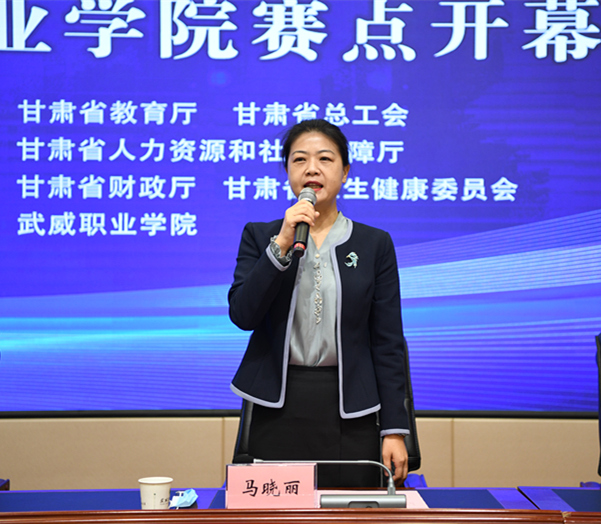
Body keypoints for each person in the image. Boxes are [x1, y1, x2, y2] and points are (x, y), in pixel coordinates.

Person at [228, 119, 409, 487]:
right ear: (287, 172)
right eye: (299, 160)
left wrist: (393, 429)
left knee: (351, 511)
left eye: (325, 159)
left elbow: (388, 342)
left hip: (351, 408)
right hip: (277, 405)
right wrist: (280, 244)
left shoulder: (374, 244)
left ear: (345, 171)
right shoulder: (260, 236)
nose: (311, 168)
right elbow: (243, 314)